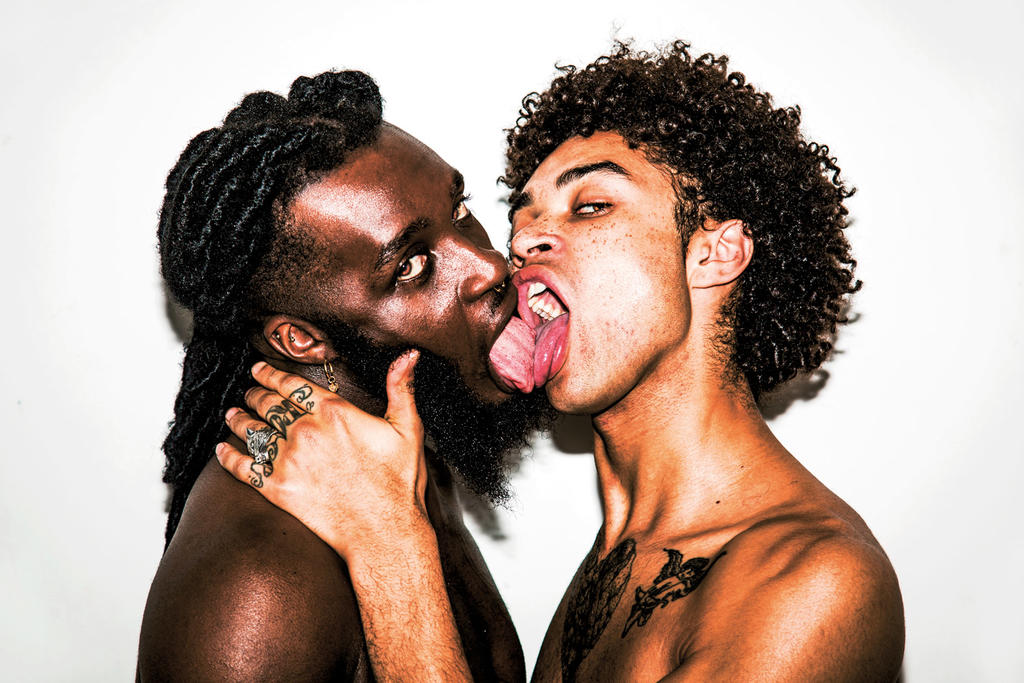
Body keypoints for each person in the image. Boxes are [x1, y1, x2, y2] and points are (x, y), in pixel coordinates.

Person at [217, 42, 905, 681]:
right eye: (524, 214)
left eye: (592, 205)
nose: (521, 242)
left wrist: (388, 546)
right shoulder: (625, 544)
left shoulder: (814, 580)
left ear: (714, 253)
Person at [137, 69, 554, 681]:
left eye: (459, 210)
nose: (489, 265)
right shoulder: (258, 586)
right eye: (411, 266)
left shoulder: (395, 464)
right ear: (301, 340)